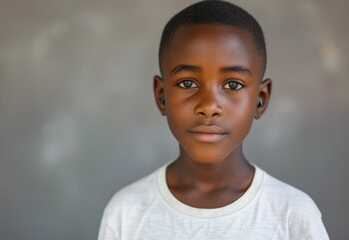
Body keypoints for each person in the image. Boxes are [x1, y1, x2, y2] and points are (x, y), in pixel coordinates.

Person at [98, 1, 329, 239]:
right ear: (161, 96)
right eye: (187, 83)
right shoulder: (127, 212)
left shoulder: (293, 215)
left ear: (260, 99)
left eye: (232, 85)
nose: (209, 106)